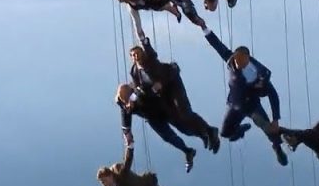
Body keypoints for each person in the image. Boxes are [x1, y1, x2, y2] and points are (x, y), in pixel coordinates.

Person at [199, 21, 288, 166]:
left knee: (270, 131)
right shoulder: (231, 61)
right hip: (234, 105)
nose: (239, 63)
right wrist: (204, 28)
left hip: (252, 106)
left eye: (242, 61)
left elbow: (272, 94)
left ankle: (277, 148)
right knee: (225, 133)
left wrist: (275, 118)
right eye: (237, 60)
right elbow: (218, 46)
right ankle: (240, 130)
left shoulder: (258, 73)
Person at [129, 39, 221, 157]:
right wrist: (131, 99)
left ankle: (210, 130)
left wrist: (144, 40)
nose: (136, 57)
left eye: (138, 53)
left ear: (142, 53)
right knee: (180, 125)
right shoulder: (134, 72)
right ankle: (203, 134)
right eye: (133, 55)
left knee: (183, 112)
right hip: (163, 94)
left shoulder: (150, 60)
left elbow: (164, 65)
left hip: (172, 83)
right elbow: (138, 88)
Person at [115, 84, 198, 172]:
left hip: (162, 108)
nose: (128, 106)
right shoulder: (122, 103)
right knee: (168, 137)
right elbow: (125, 116)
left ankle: (203, 131)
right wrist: (127, 132)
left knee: (184, 127)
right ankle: (188, 151)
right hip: (152, 117)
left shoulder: (138, 89)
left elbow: (142, 89)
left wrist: (133, 98)